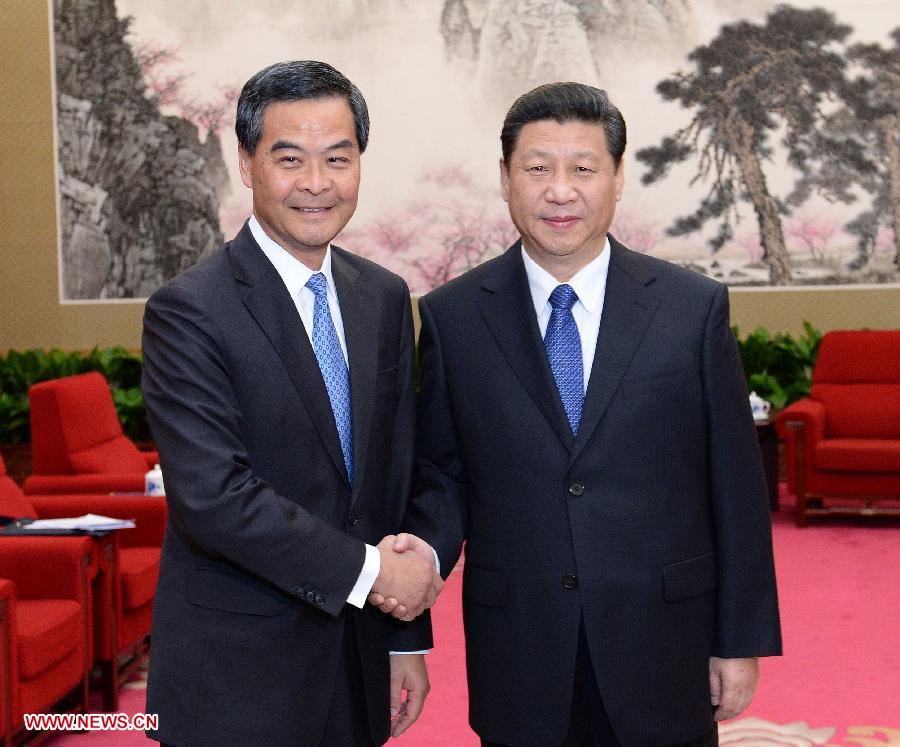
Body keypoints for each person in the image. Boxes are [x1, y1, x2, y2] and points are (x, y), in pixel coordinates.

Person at [378, 82, 782, 746]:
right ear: (505, 179)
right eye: (537, 168)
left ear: (617, 178)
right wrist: (420, 552)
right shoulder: (454, 317)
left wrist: (740, 639)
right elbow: (442, 475)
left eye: (583, 168)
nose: (559, 190)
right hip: (521, 646)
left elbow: (734, 486)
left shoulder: (690, 308)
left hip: (664, 643)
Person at [141, 60, 442, 746]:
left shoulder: (385, 298)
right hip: (238, 679)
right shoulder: (190, 310)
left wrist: (403, 638)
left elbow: (391, 477)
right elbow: (213, 497)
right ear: (247, 163)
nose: (315, 183)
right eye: (290, 158)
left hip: (359, 664)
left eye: (337, 158)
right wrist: (373, 574)